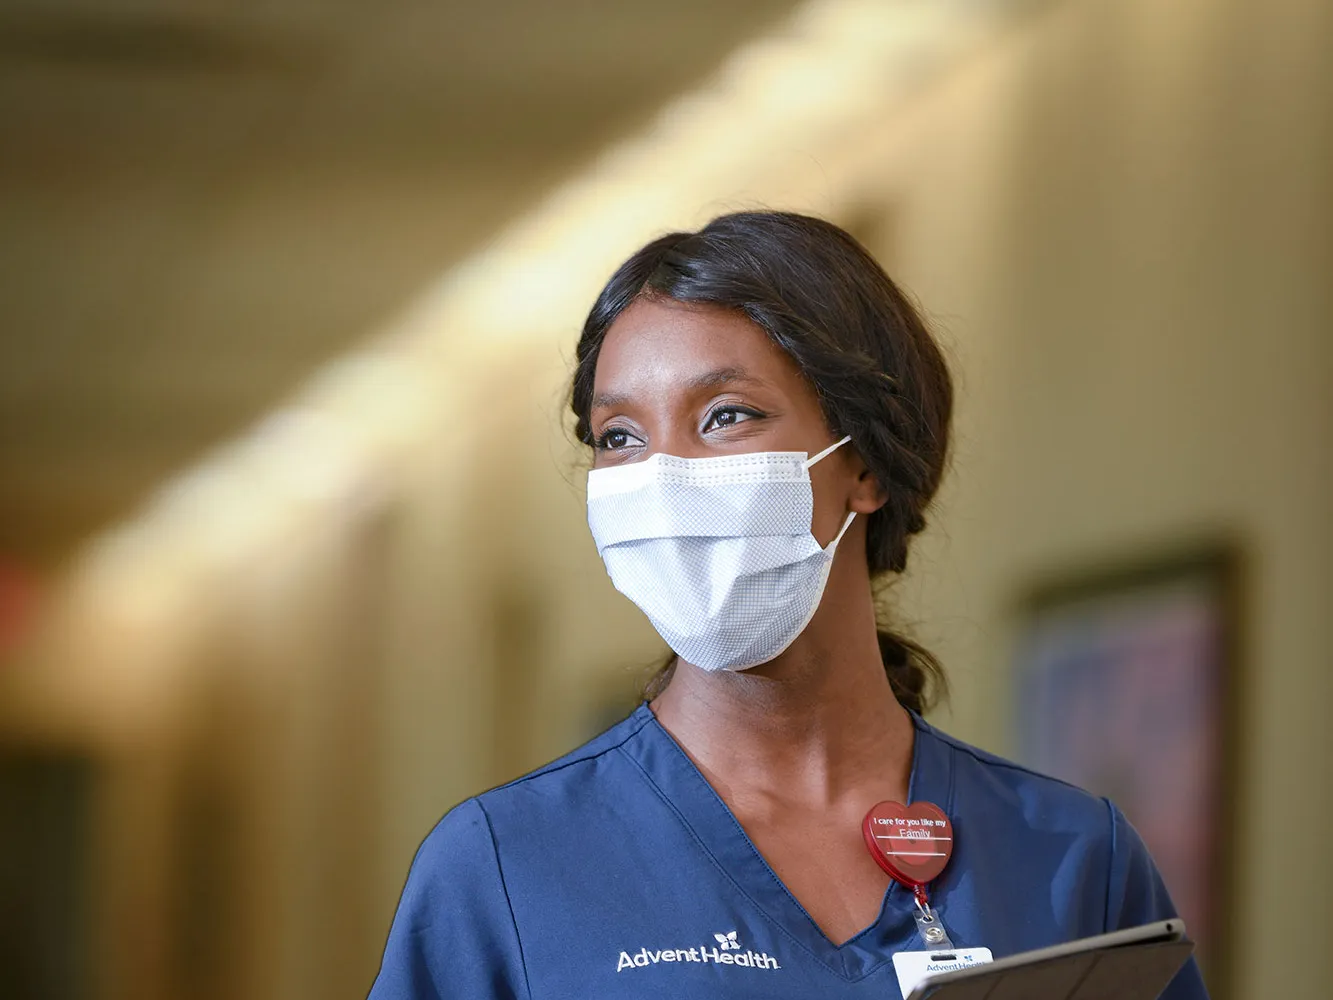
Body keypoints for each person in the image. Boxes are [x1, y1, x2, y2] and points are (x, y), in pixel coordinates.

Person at [368, 211, 1209, 999]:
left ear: (867, 467)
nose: (663, 479)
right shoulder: (506, 865)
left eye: (726, 416)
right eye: (619, 435)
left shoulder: (1070, 858)